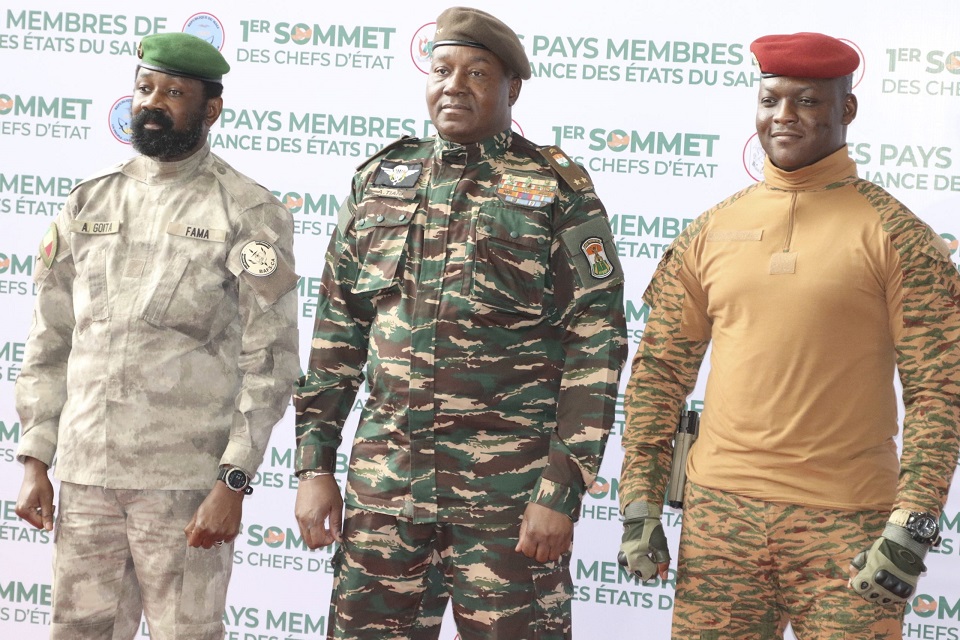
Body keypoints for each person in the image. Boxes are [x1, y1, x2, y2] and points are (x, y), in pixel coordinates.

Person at [293, 6, 626, 639]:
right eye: (442, 69)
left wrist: (562, 485)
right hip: (385, 491)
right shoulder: (378, 183)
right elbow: (337, 337)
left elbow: (597, 342)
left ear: (512, 89)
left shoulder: (556, 190)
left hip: (508, 504)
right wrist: (314, 467)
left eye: (477, 73)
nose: (454, 85)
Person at [618, 32, 960, 639]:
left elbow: (940, 392)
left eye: (806, 101)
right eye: (771, 99)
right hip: (719, 521)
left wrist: (913, 523)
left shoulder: (898, 236)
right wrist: (639, 499)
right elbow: (659, 373)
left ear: (845, 109)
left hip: (848, 525)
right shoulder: (712, 229)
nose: (784, 116)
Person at [14, 32, 299, 640]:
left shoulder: (246, 210)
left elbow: (271, 361)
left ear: (210, 109)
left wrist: (234, 480)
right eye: (145, 88)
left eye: (174, 92)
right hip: (87, 476)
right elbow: (49, 340)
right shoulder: (88, 202)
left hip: (185, 483)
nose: (154, 102)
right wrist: (36, 457)